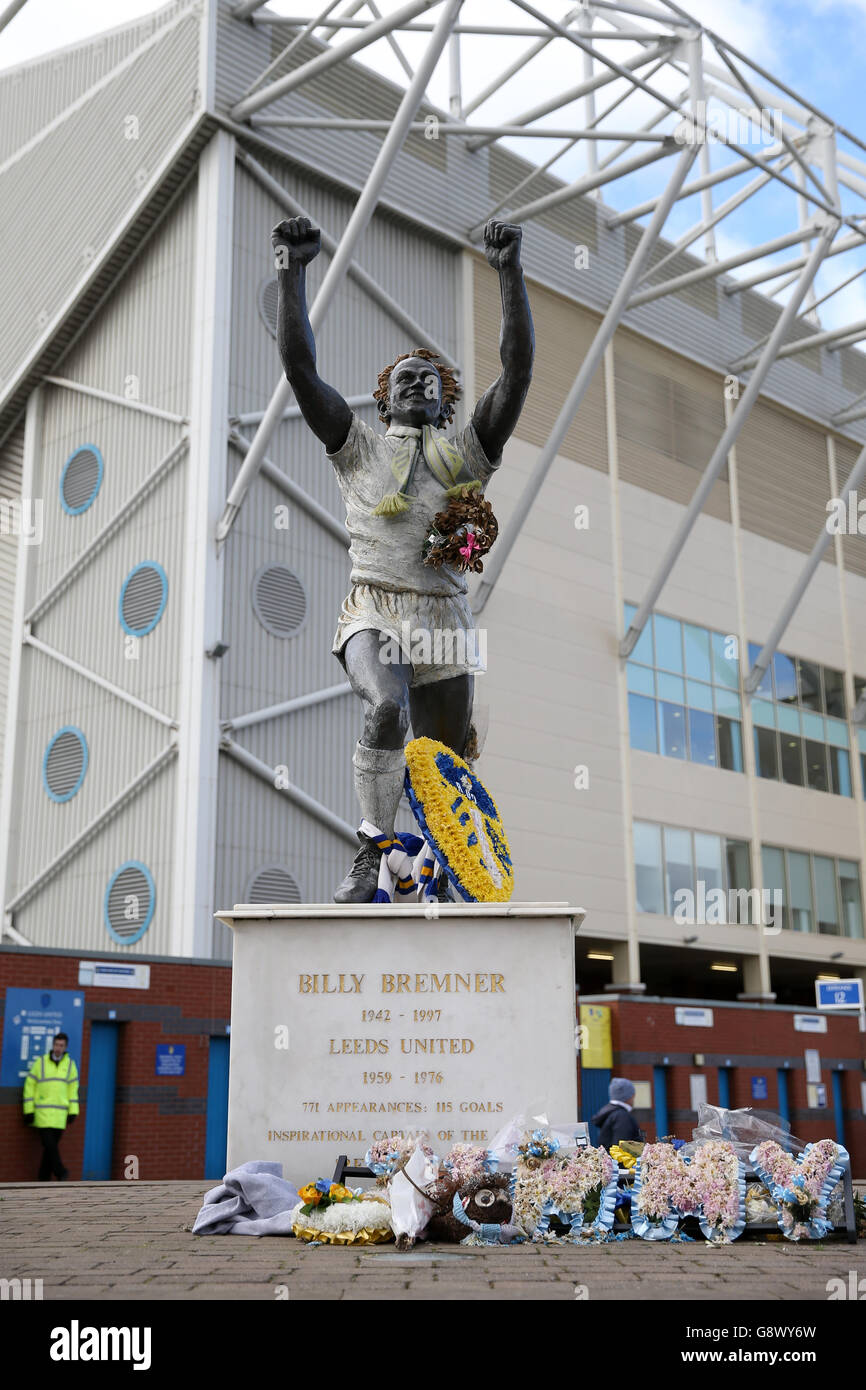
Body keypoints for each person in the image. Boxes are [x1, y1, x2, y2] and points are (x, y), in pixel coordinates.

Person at [271, 215, 534, 903]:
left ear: (448, 402)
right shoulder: (357, 447)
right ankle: (370, 848)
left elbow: (517, 370)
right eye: (405, 378)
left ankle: (441, 871)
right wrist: (292, 271)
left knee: (442, 762)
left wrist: (508, 271)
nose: (418, 383)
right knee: (385, 709)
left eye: (431, 380)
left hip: (445, 617)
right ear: (383, 397)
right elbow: (300, 368)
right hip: (375, 603)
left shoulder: (470, 453)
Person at [22, 1032, 79, 1180]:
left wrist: (73, 1111)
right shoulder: (40, 1063)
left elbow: (73, 1090)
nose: (58, 1048)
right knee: (50, 1145)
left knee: (49, 1150)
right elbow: (30, 1086)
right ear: (52, 1045)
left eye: (61, 1045)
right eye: (56, 1045)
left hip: (60, 1116)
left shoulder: (70, 1066)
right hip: (42, 1115)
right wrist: (28, 1110)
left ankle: (43, 1179)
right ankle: (60, 1171)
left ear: (65, 1047)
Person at [592, 1077, 641, 1150]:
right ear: (629, 1096)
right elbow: (623, 1149)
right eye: (633, 1094)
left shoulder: (610, 1113)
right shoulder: (622, 1116)